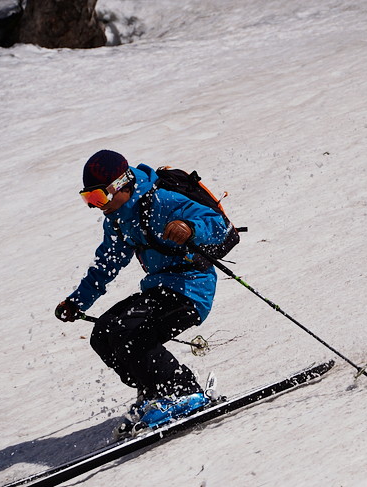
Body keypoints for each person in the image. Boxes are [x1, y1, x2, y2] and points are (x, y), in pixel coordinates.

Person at [55, 150, 233, 427]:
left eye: (98, 197)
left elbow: (218, 225)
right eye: (88, 199)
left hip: (191, 288)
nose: (95, 206)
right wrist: (77, 302)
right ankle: (154, 391)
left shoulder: (163, 200)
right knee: (103, 334)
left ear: (122, 185)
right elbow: (106, 265)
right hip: (159, 289)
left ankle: (184, 392)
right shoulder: (118, 220)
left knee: (130, 333)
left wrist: (189, 228)